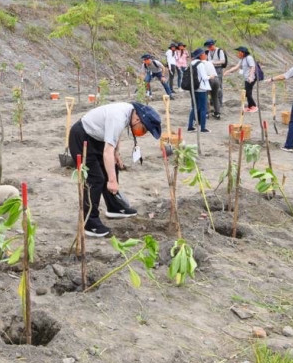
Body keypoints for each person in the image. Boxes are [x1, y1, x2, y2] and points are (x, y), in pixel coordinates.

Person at [68, 101, 162, 239]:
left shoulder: (128, 111)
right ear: (137, 119)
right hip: (81, 137)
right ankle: (90, 222)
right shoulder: (119, 116)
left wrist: (117, 153)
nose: (143, 132)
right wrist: (112, 181)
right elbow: (107, 152)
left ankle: (114, 207)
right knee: (95, 179)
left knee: (112, 168)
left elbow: (115, 133)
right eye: (144, 129)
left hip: (96, 138)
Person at [224, 46, 259, 113]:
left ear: (243, 52)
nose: (238, 53)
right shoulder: (242, 59)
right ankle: (250, 106)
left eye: (239, 52)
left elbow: (252, 67)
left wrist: (251, 76)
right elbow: (236, 67)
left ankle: (254, 106)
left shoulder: (249, 58)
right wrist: (228, 71)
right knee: (248, 92)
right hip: (246, 78)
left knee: (247, 93)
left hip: (251, 78)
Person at [185, 47, 213, 133]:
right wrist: (210, 76)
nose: (205, 55)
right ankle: (203, 128)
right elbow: (204, 77)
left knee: (194, 108)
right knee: (203, 108)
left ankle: (190, 126)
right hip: (201, 88)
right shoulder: (200, 64)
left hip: (193, 88)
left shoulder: (191, 63)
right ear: (200, 55)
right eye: (204, 54)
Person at [204, 40, 227, 118]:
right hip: (211, 69)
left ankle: (219, 103)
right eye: (208, 47)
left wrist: (213, 62)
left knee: (218, 87)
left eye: (210, 46)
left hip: (218, 68)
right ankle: (212, 103)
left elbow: (223, 61)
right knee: (211, 88)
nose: (209, 48)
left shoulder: (219, 51)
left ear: (213, 45)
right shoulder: (208, 52)